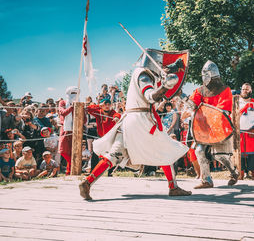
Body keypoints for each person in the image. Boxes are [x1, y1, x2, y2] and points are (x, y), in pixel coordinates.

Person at [79, 53, 192, 200]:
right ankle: (173, 186)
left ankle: (88, 182)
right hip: (142, 121)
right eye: (159, 64)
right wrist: (165, 87)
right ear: (153, 64)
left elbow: (164, 70)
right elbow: (150, 96)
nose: (161, 67)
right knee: (164, 147)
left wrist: (176, 66)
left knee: (114, 154)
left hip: (128, 120)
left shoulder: (140, 73)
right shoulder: (144, 76)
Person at [188, 60, 239, 189]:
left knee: (220, 155)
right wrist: (183, 97)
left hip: (218, 126)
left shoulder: (225, 90)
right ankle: (207, 180)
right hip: (203, 128)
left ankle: (233, 172)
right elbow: (193, 105)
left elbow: (221, 110)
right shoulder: (200, 90)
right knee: (199, 151)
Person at [57, 86, 80, 175]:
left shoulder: (79, 103)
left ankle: (70, 171)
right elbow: (63, 112)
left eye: (76, 93)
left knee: (74, 152)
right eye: (72, 93)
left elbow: (84, 119)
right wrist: (72, 107)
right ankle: (70, 168)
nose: (74, 95)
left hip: (76, 130)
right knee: (64, 151)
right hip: (65, 129)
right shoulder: (62, 102)